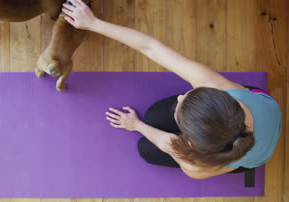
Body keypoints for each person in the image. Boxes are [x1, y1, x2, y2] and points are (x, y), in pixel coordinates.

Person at [62, 0, 281, 179]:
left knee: (146, 150)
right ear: (220, 97)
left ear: (191, 143)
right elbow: (151, 47)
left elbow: (168, 143)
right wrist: (92, 23)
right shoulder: (220, 87)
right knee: (156, 113)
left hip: (249, 152)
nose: (180, 95)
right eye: (190, 95)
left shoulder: (198, 167)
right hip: (258, 106)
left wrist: (137, 125)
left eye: (182, 103)